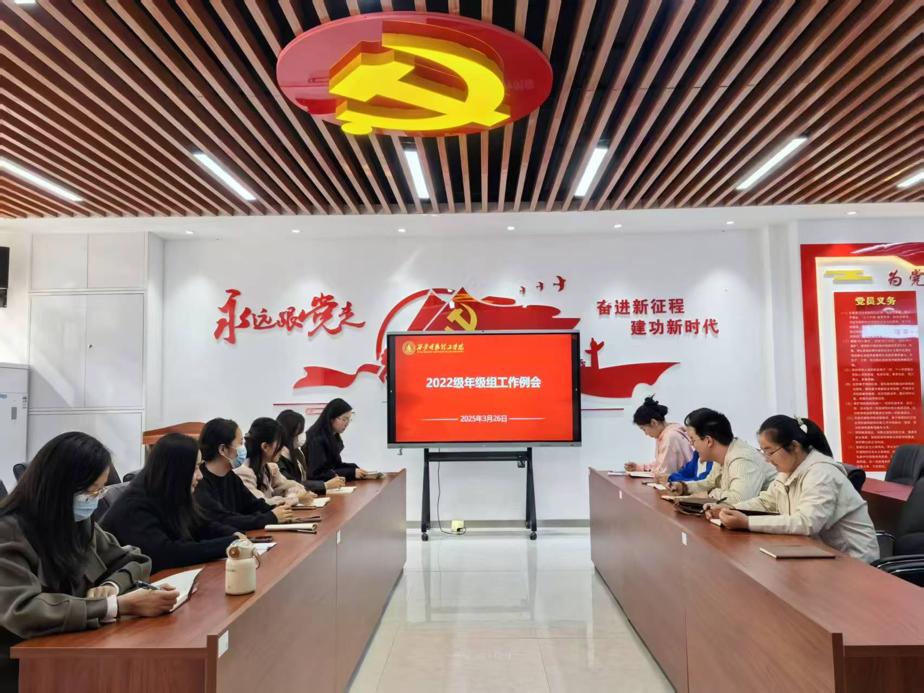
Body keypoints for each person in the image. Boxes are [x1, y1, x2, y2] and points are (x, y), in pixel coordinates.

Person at [0, 433, 178, 690]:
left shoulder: (77, 523)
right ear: (58, 486)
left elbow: (135, 560)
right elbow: (25, 610)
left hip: (75, 647)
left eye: (100, 490)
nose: (94, 499)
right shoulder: (9, 531)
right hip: (23, 666)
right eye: (90, 491)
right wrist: (115, 606)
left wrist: (112, 586)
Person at [709, 415, 879, 562]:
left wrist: (747, 523)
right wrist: (730, 509)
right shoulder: (787, 471)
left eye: (770, 452)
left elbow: (806, 523)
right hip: (816, 553)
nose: (767, 459)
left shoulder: (821, 474)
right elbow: (767, 502)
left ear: (795, 446)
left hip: (852, 562)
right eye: (763, 452)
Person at [101, 433, 239, 573]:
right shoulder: (134, 506)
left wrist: (235, 535)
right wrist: (228, 544)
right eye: (195, 468)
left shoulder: (169, 491)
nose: (200, 476)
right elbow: (166, 555)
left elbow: (200, 525)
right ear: (176, 470)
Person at [194, 418, 294, 530]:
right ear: (223, 449)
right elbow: (223, 519)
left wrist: (277, 509)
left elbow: (252, 505)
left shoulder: (231, 477)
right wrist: (270, 517)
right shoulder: (199, 482)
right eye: (240, 443)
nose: (244, 448)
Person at [669, 408, 776, 504]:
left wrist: (709, 494)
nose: (692, 445)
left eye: (693, 440)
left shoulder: (742, 459)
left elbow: (739, 500)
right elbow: (711, 483)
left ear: (708, 441)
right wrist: (684, 487)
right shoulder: (723, 455)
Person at [236, 418, 314, 506]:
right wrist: (296, 499)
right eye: (280, 444)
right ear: (265, 447)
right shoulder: (244, 472)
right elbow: (262, 504)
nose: (282, 448)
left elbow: (292, 486)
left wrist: (291, 496)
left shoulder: (270, 468)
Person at [276, 410, 346, 494]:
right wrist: (324, 485)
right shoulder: (278, 458)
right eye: (298, 432)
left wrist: (331, 476)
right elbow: (291, 483)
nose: (301, 436)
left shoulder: (298, 453)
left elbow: (308, 477)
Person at [625, 396, 694, 480]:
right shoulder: (666, 433)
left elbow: (664, 472)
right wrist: (639, 467)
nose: (646, 434)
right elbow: (661, 464)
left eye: (644, 429)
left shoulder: (670, 436)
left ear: (653, 423)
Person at [304, 399, 371, 482]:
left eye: (349, 419)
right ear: (331, 418)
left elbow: (335, 466)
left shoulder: (334, 437)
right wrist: (351, 472)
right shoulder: (316, 439)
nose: (347, 423)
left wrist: (354, 469)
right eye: (344, 419)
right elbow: (317, 474)